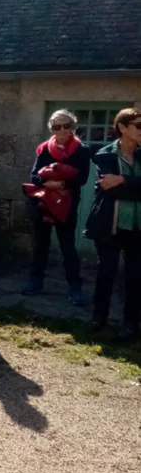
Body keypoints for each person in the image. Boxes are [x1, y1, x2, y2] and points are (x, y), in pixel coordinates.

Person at [23, 109, 90, 305]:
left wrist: (61, 185)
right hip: (44, 202)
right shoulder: (44, 149)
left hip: (67, 205)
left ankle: (75, 288)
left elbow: (82, 178)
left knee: (67, 245)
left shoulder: (81, 150)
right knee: (40, 244)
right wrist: (48, 184)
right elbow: (34, 175)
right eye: (56, 126)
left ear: (73, 128)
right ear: (51, 129)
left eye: (66, 125)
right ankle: (35, 282)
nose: (61, 130)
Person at [85, 108, 141, 343]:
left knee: (136, 277)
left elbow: (119, 186)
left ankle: (130, 324)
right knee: (106, 272)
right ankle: (99, 318)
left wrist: (123, 180)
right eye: (139, 125)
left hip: (137, 226)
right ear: (123, 127)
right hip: (110, 223)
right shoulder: (105, 155)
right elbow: (107, 189)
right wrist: (132, 186)